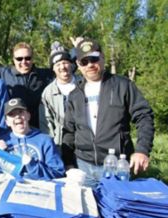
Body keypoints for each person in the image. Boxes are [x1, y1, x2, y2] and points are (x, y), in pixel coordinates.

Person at [62, 38, 155, 188]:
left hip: (117, 166)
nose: (90, 65)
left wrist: (142, 150)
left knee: (119, 210)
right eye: (84, 61)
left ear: (102, 58)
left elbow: (144, 116)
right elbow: (68, 132)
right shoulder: (74, 95)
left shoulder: (123, 85)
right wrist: (68, 164)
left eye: (94, 59)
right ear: (78, 65)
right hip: (83, 167)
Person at [0, 42, 54, 128]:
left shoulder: (45, 75)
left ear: (33, 58)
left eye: (28, 58)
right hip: (13, 129)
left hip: (39, 128)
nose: (24, 61)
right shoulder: (2, 73)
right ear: (13, 59)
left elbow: (62, 69)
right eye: (19, 59)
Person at [0, 98, 65, 180]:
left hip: (41, 189)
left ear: (28, 115)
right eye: (11, 114)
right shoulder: (2, 142)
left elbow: (58, 173)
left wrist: (32, 165)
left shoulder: (45, 140)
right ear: (7, 122)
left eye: (20, 112)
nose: (17, 116)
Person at [39, 41, 79, 150]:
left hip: (86, 142)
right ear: (53, 68)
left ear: (71, 64)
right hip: (61, 144)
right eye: (58, 64)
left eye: (65, 62)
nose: (62, 67)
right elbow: (46, 124)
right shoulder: (48, 92)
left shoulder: (84, 85)